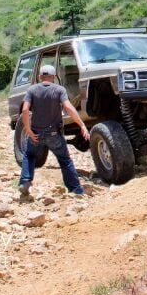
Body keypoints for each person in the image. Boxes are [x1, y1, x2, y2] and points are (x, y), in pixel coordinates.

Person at [19, 64, 89, 199]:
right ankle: (76, 191)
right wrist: (82, 125)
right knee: (65, 160)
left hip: (36, 134)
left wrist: (27, 128)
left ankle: (25, 181)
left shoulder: (32, 90)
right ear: (53, 77)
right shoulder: (59, 90)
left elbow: (25, 110)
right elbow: (68, 107)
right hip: (54, 135)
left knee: (29, 156)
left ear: (40, 77)